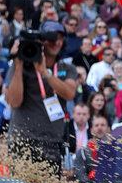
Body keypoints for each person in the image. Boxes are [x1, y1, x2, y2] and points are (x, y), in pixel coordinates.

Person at [6, 20, 77, 172]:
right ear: (41, 41)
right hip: (23, 141)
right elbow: (14, 101)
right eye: (51, 38)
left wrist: (46, 72)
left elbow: (70, 94)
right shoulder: (21, 64)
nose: (56, 42)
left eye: (59, 38)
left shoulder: (67, 68)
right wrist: (18, 66)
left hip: (52, 142)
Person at [75, 115, 111, 183]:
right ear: (91, 130)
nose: (99, 128)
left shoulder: (116, 151)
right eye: (96, 125)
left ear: (109, 129)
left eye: (103, 125)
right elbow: (80, 177)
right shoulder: (83, 152)